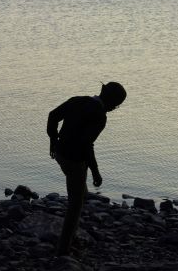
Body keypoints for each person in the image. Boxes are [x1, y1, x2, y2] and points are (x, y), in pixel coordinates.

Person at [46, 81, 127, 257]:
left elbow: (53, 115)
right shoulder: (100, 116)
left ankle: (82, 193)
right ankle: (63, 249)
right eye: (117, 105)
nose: (115, 108)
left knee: (79, 188)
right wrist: (96, 171)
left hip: (60, 153)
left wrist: (53, 140)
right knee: (75, 206)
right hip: (74, 161)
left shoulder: (77, 100)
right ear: (112, 102)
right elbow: (86, 145)